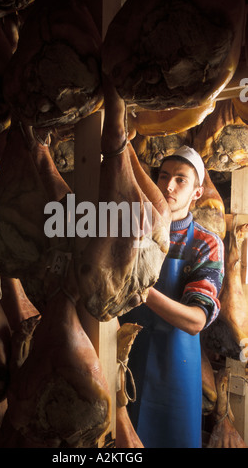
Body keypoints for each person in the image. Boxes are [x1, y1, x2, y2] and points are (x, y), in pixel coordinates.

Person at [120, 145, 224, 448]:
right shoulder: (133, 232)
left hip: (175, 375)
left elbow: (195, 321)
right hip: (123, 364)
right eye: (164, 176)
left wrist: (141, 290)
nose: (168, 186)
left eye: (180, 180)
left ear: (196, 192)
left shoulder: (205, 243)